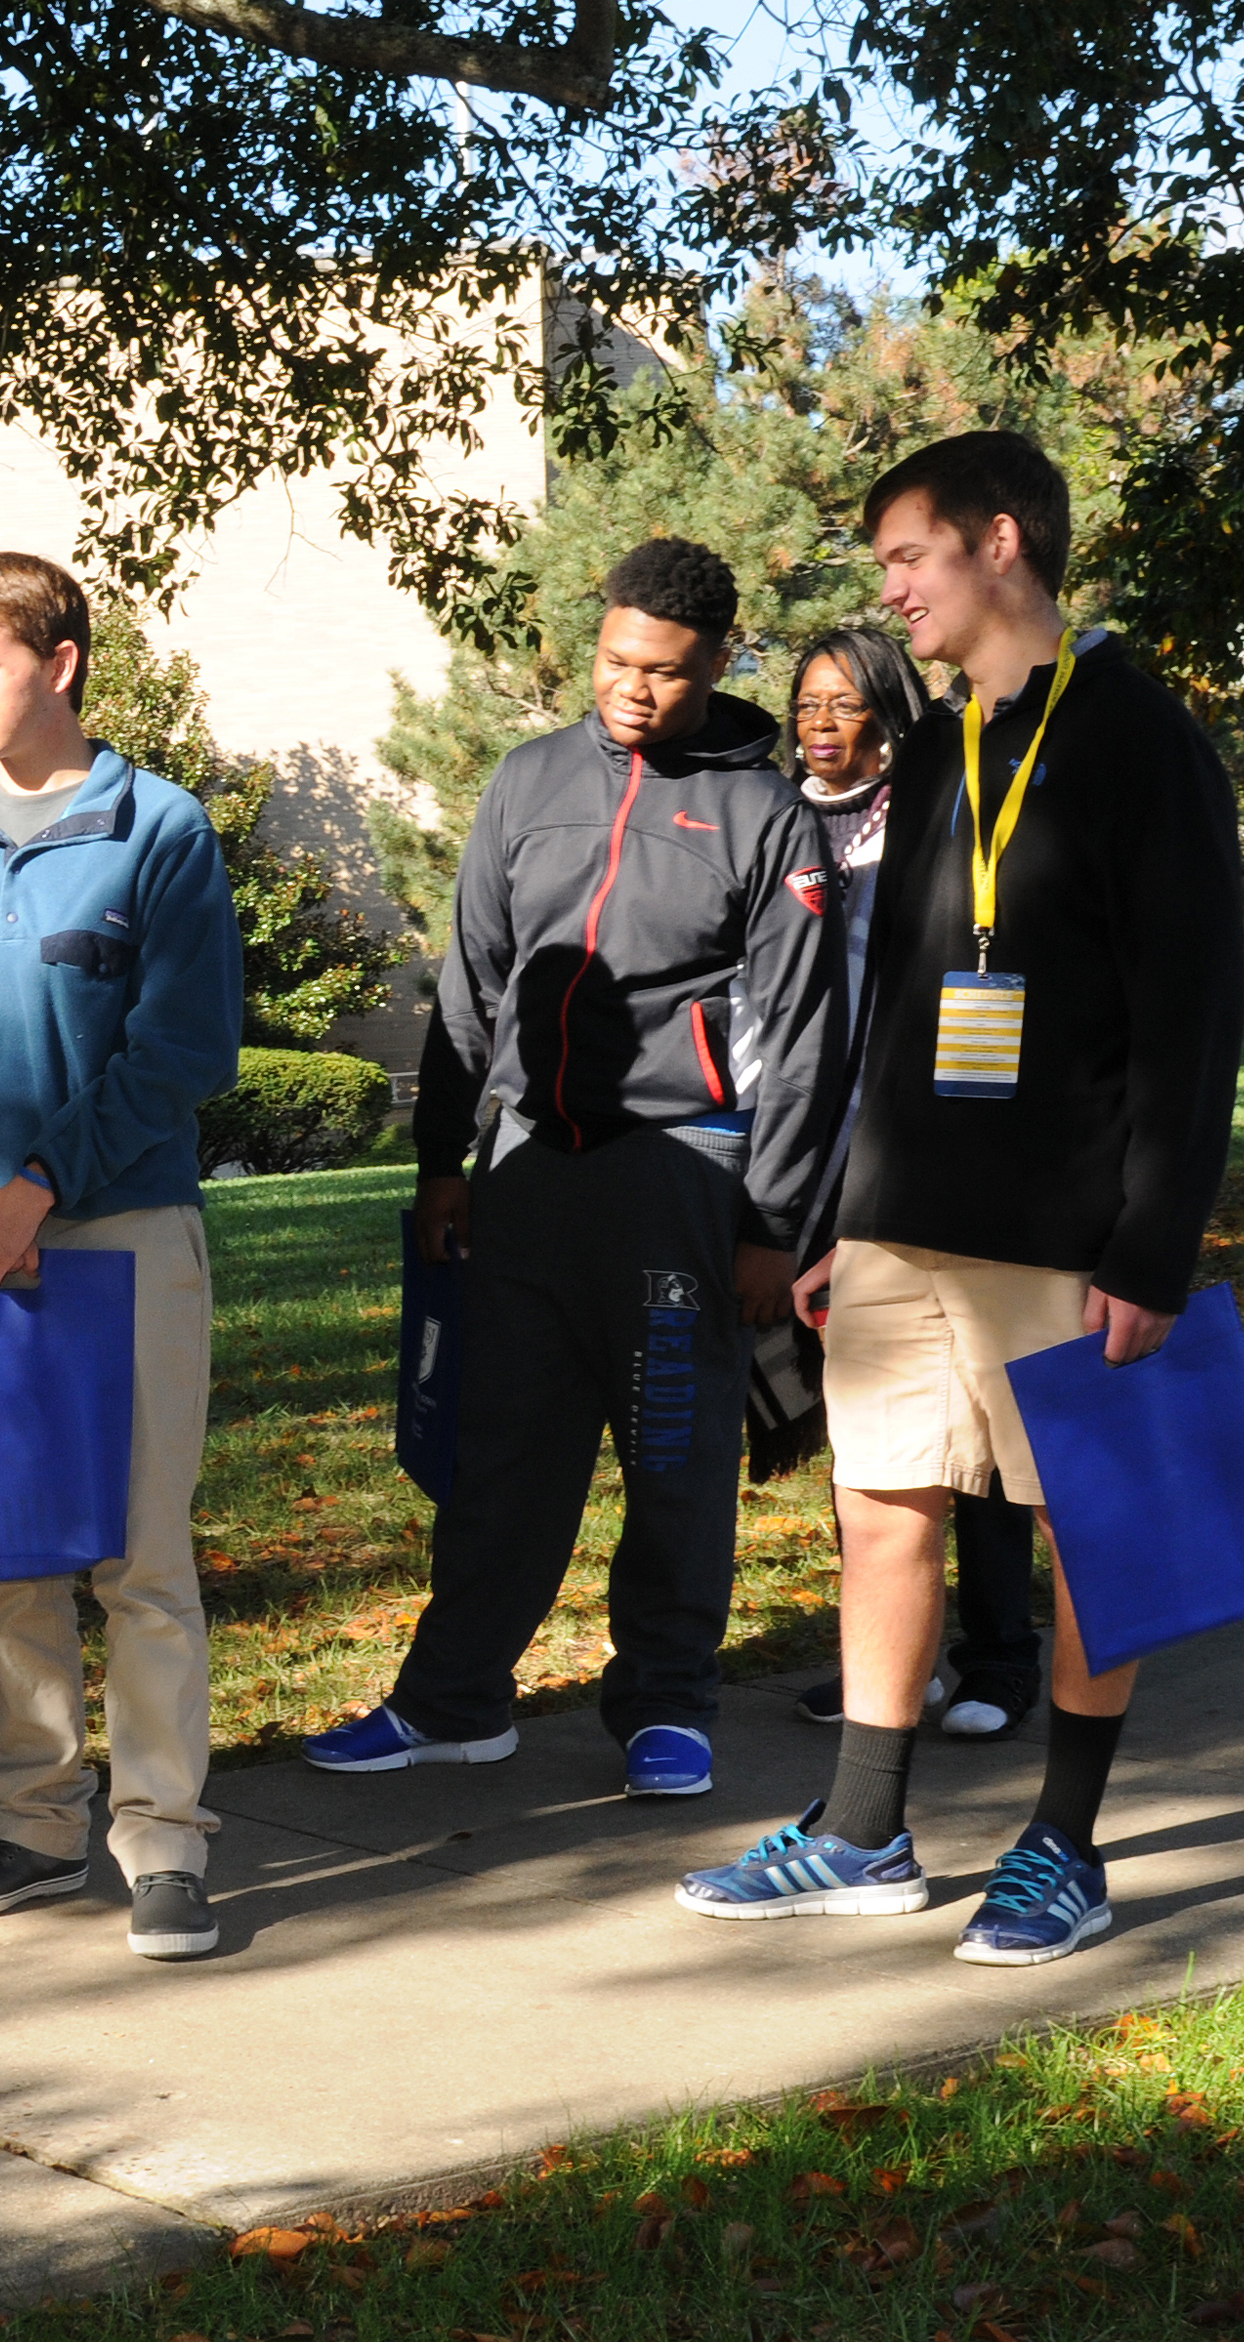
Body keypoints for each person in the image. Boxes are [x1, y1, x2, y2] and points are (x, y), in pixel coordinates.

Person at [677, 430, 1243, 1967]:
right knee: (880, 1511)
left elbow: (1194, 1020)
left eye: (908, 558)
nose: (893, 591)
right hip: (904, 1218)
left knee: (1094, 1534)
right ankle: (864, 1831)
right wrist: (845, 1212)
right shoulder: (935, 750)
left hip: (1066, 1223)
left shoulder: (1140, 738)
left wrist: (1154, 1244)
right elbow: (903, 1000)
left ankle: (1064, 1845)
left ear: (1002, 542)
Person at [302, 539, 835, 1800]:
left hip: (684, 1172)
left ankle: (666, 1703)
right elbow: (469, 987)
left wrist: (774, 1226)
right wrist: (446, 1163)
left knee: (674, 1452)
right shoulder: (529, 780)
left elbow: (807, 1040)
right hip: (531, 1166)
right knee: (503, 1453)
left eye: (662, 672)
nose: (631, 690)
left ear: (718, 667)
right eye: (614, 660)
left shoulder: (765, 815)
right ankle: (454, 1701)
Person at [0, 552, 242, 1961]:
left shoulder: (160, 829)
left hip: (123, 1227)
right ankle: (33, 1823)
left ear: (60, 664)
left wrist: (37, 1184)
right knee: (7, 1558)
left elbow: (184, 1046)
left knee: (139, 1558)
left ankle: (164, 1843)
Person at [779, 628, 1046, 1745]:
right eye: (807, 705)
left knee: (978, 1418)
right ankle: (898, 1661)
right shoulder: (778, 822)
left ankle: (1000, 1651)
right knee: (876, 1436)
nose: (823, 724)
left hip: (928, 1144)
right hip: (812, 1152)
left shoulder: (942, 809)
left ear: (888, 712)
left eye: (845, 704)